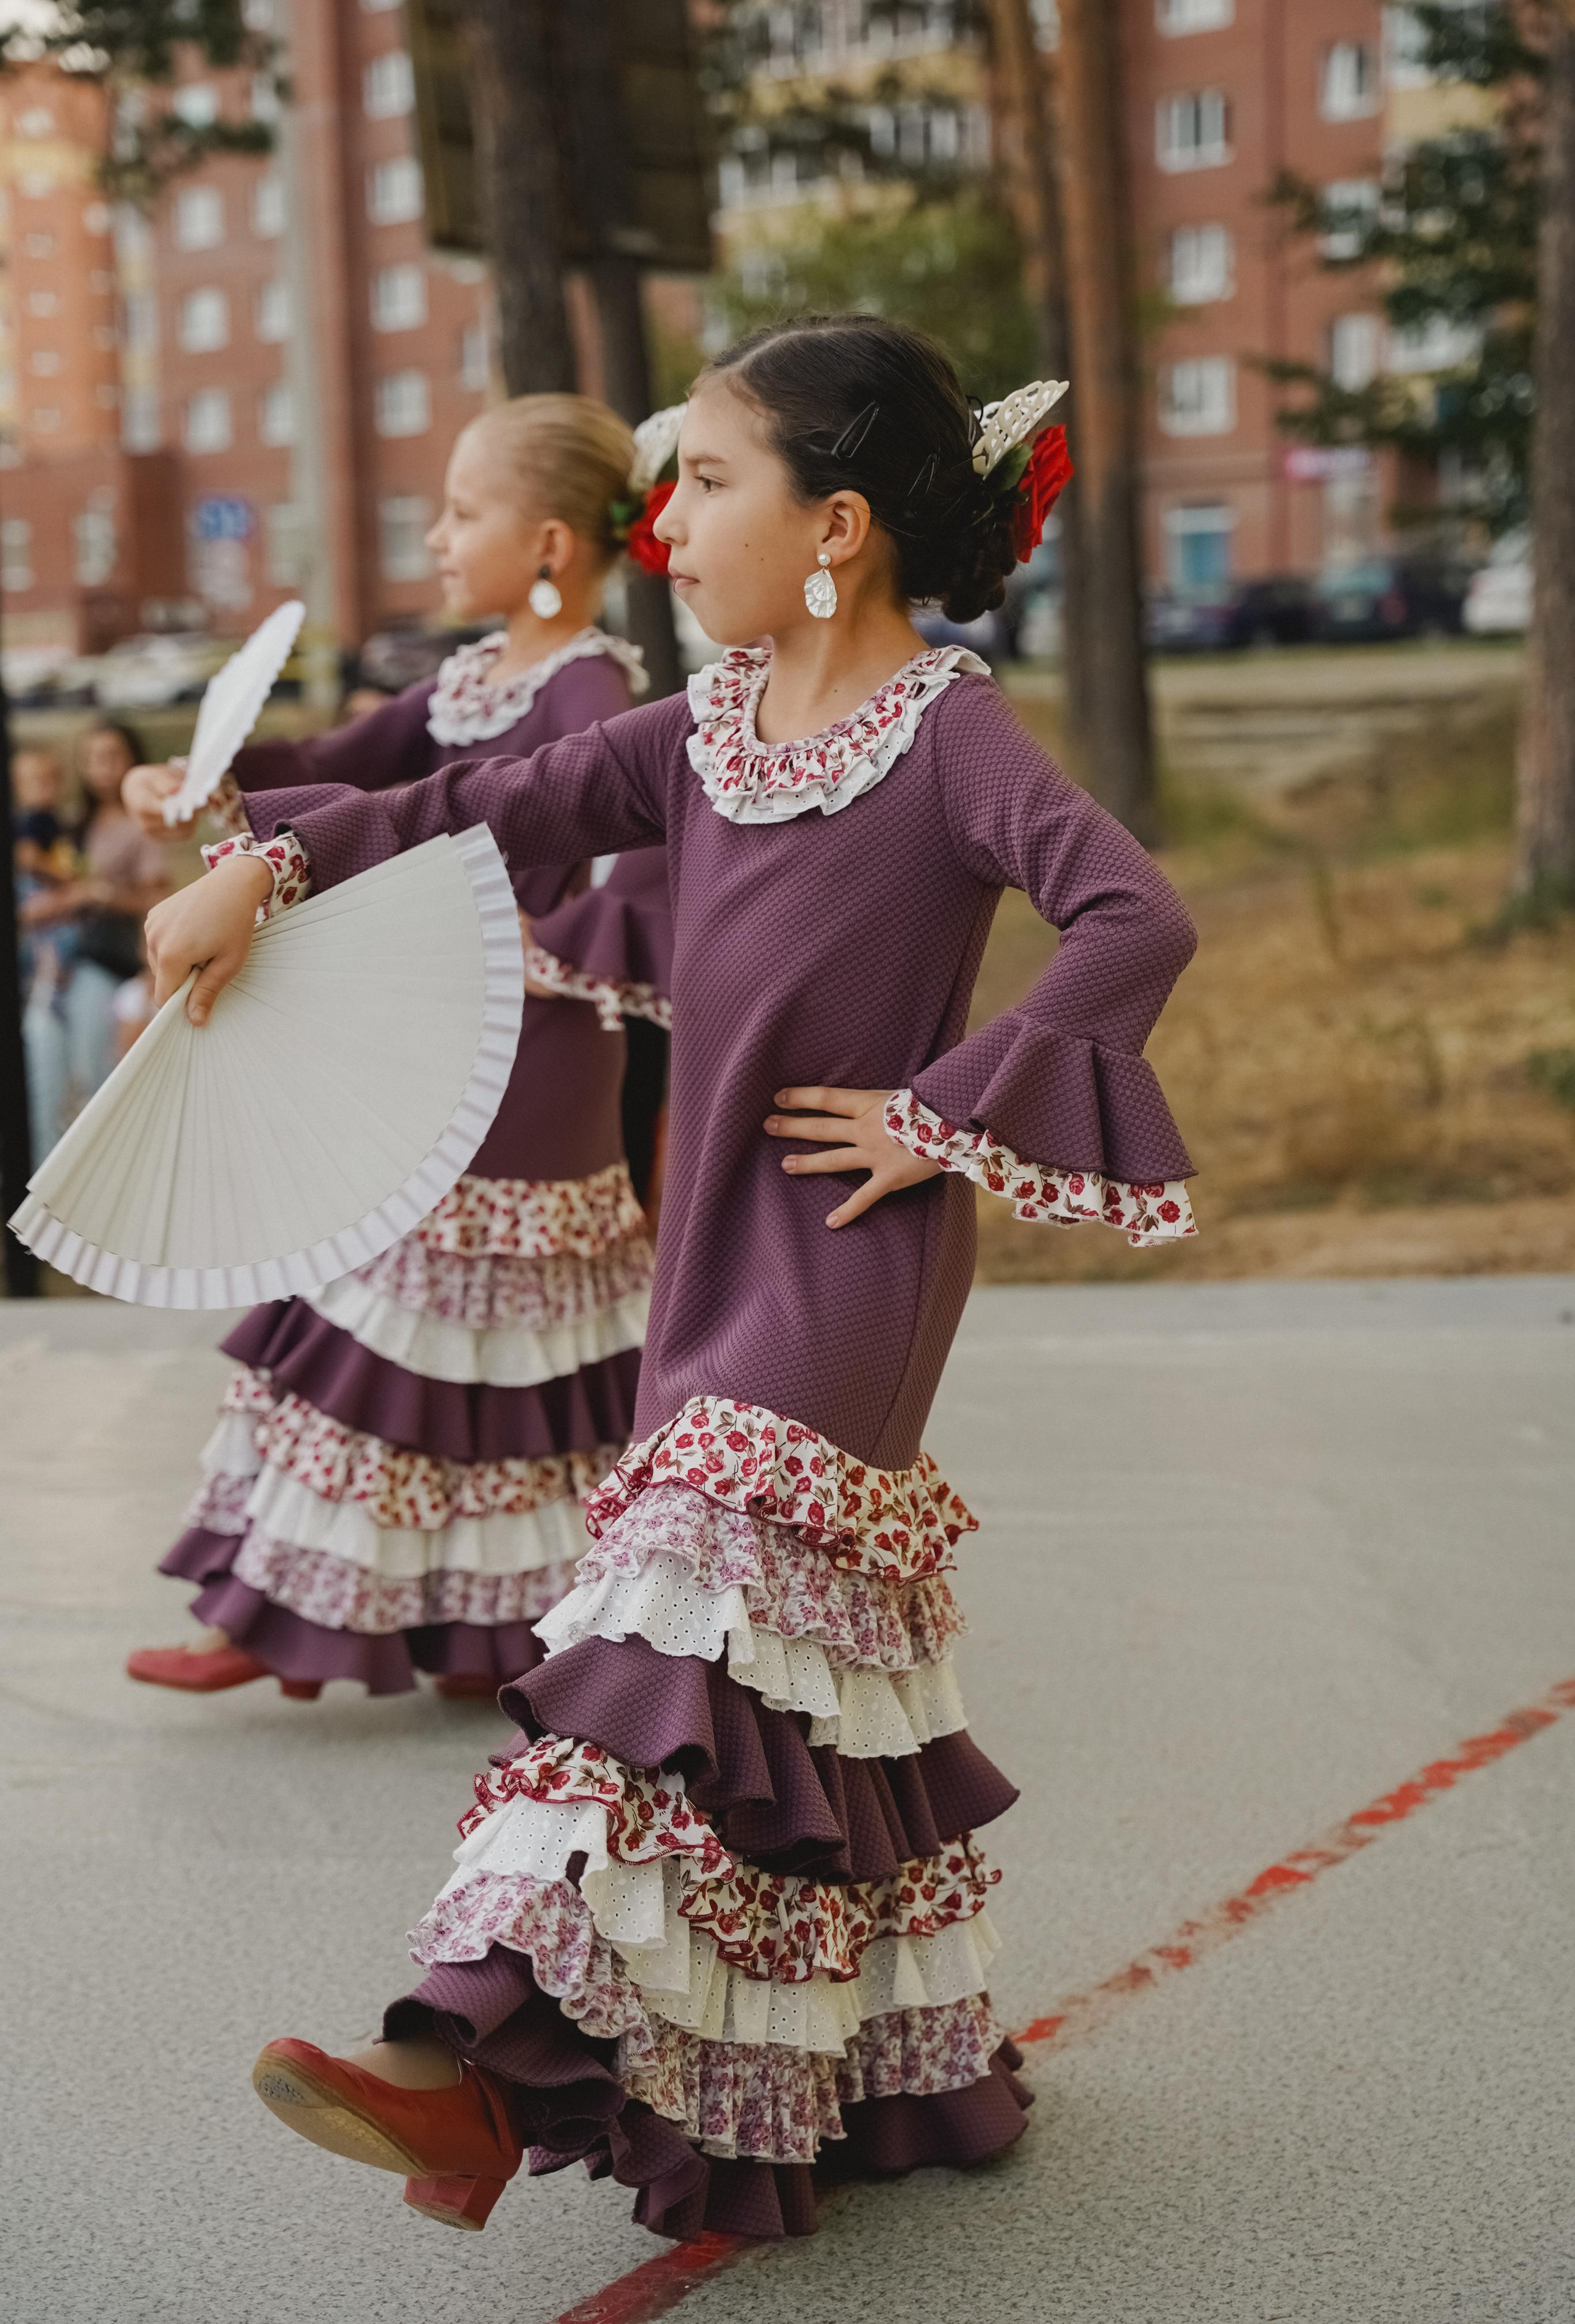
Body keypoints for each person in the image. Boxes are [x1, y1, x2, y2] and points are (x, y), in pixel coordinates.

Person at [140, 317, 1198, 2241]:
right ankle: (890, 2074)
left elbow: (1135, 910)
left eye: (709, 481)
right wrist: (258, 874)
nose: (667, 516)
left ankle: (460, 2060)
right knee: (772, 1695)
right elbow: (479, 811)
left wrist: (947, 1112)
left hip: (848, 1267)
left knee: (655, 1637)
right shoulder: (705, 728)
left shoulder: (950, 732)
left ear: (839, 526)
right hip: (702, 1245)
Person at [121, 393, 674, 1703]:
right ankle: (437, 1626)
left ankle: (292, 1618)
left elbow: (639, 873)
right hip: (448, 1046)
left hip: (530, 1060)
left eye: (460, 512)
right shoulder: (473, 679)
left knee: (419, 1330)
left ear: (546, 544)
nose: (432, 537)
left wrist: (536, 949)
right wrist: (203, 778)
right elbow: (335, 762)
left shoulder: (594, 685)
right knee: (410, 1330)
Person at [23, 723, 170, 1163]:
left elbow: (160, 898)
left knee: (95, 1078)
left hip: (108, 964)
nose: (102, 769)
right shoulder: (72, 825)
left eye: (112, 756)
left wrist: (101, 893)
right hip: (54, 968)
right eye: (92, 759)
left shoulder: (145, 824)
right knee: (47, 1075)